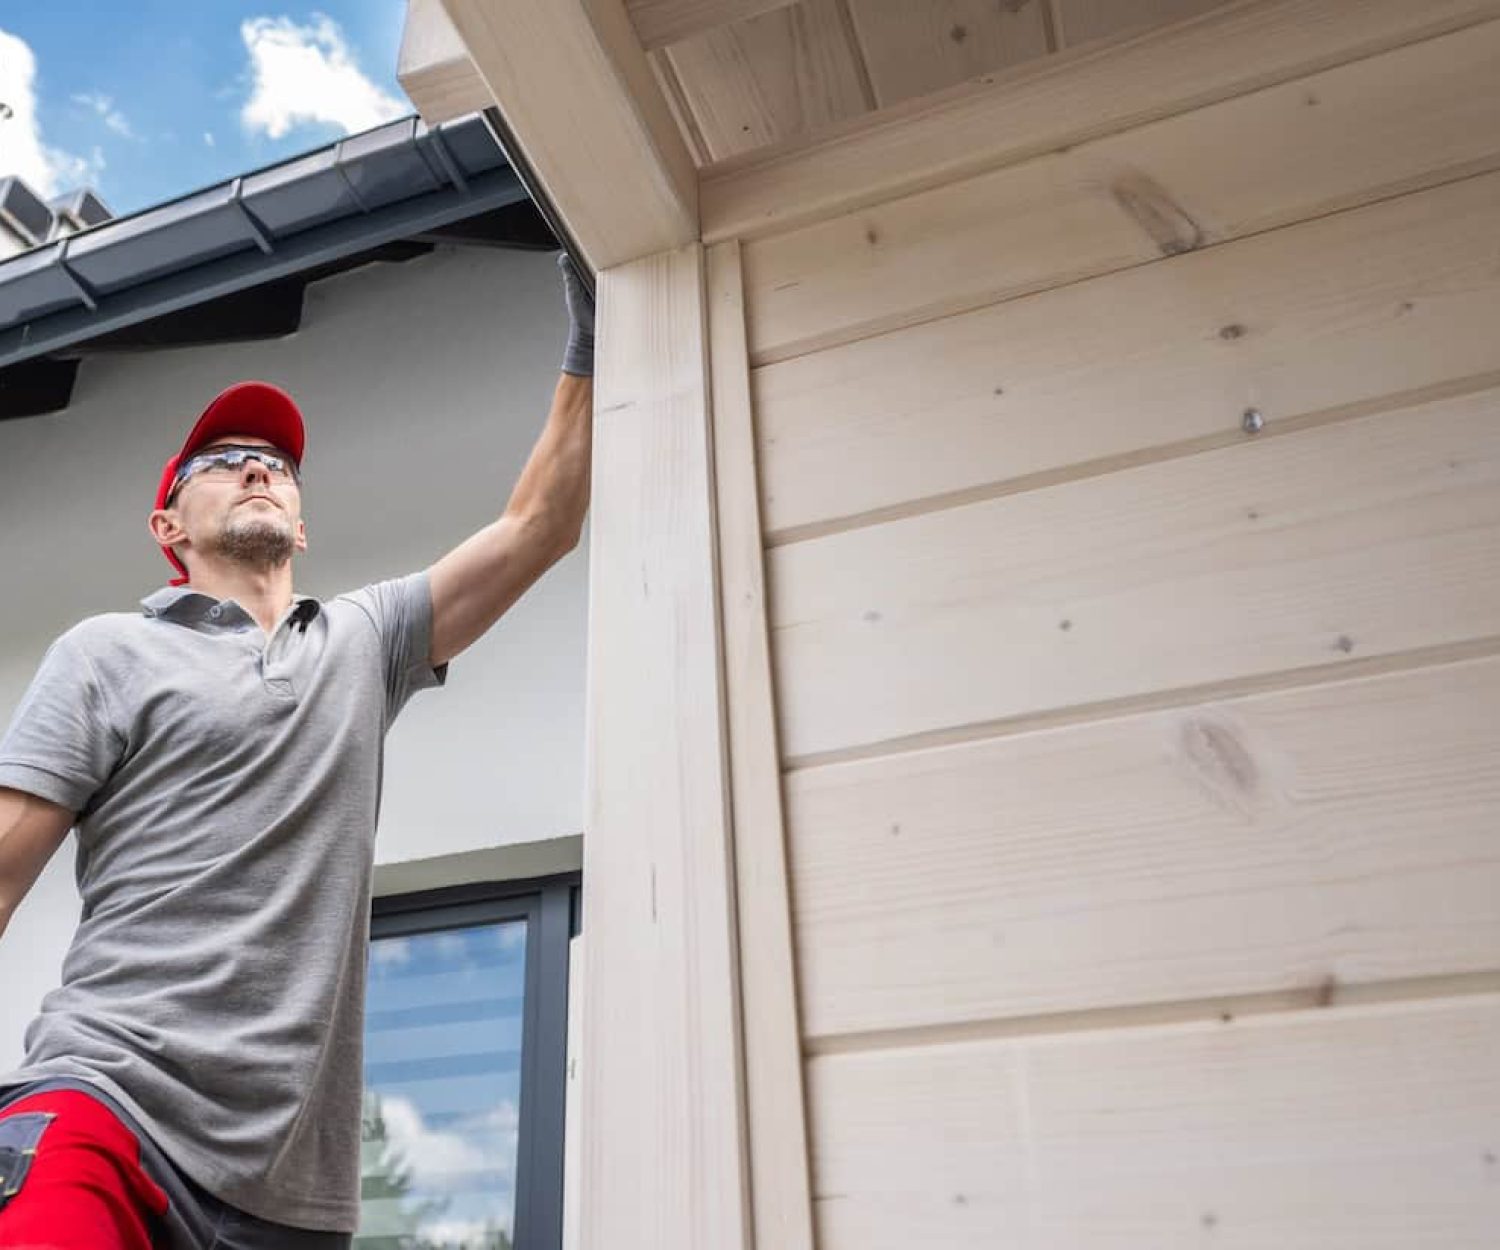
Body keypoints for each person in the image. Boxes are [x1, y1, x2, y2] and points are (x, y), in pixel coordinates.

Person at [0, 254, 596, 1248]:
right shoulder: (107, 650)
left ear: (302, 521)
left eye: (273, 461)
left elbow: (542, 524)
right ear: (168, 525)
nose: (255, 465)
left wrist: (589, 330)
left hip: (290, 1196)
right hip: (106, 1105)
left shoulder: (364, 639)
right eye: (218, 461)